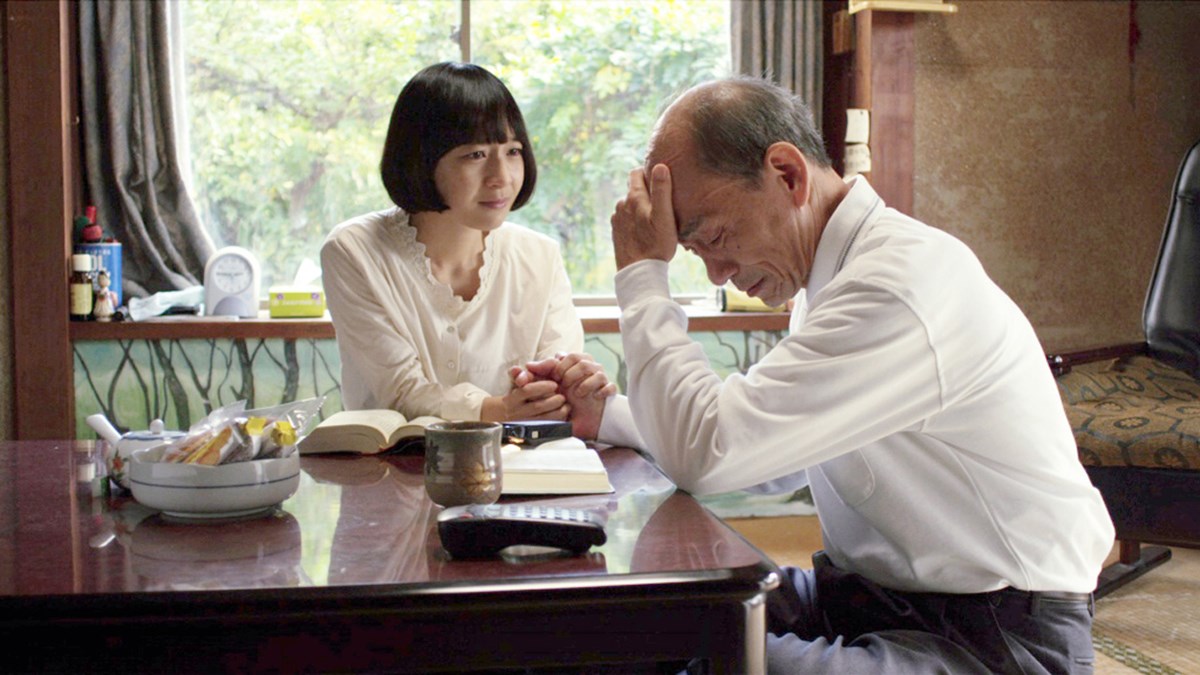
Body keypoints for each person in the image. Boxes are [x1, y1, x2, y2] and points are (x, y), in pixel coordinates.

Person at [592, 76, 1116, 673]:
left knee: (707, 655)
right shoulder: (834, 277)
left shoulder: (896, 284)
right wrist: (605, 415)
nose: (716, 273)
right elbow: (768, 455)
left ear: (787, 174)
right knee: (652, 616)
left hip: (993, 636)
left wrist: (643, 277)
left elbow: (708, 456)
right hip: (872, 600)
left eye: (714, 236)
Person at [321, 62, 619, 439]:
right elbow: (399, 392)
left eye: (512, 151)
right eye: (476, 154)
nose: (502, 177)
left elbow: (557, 385)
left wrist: (573, 386)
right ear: (421, 159)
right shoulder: (353, 251)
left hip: (523, 468)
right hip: (391, 469)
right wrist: (499, 410)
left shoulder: (539, 256)